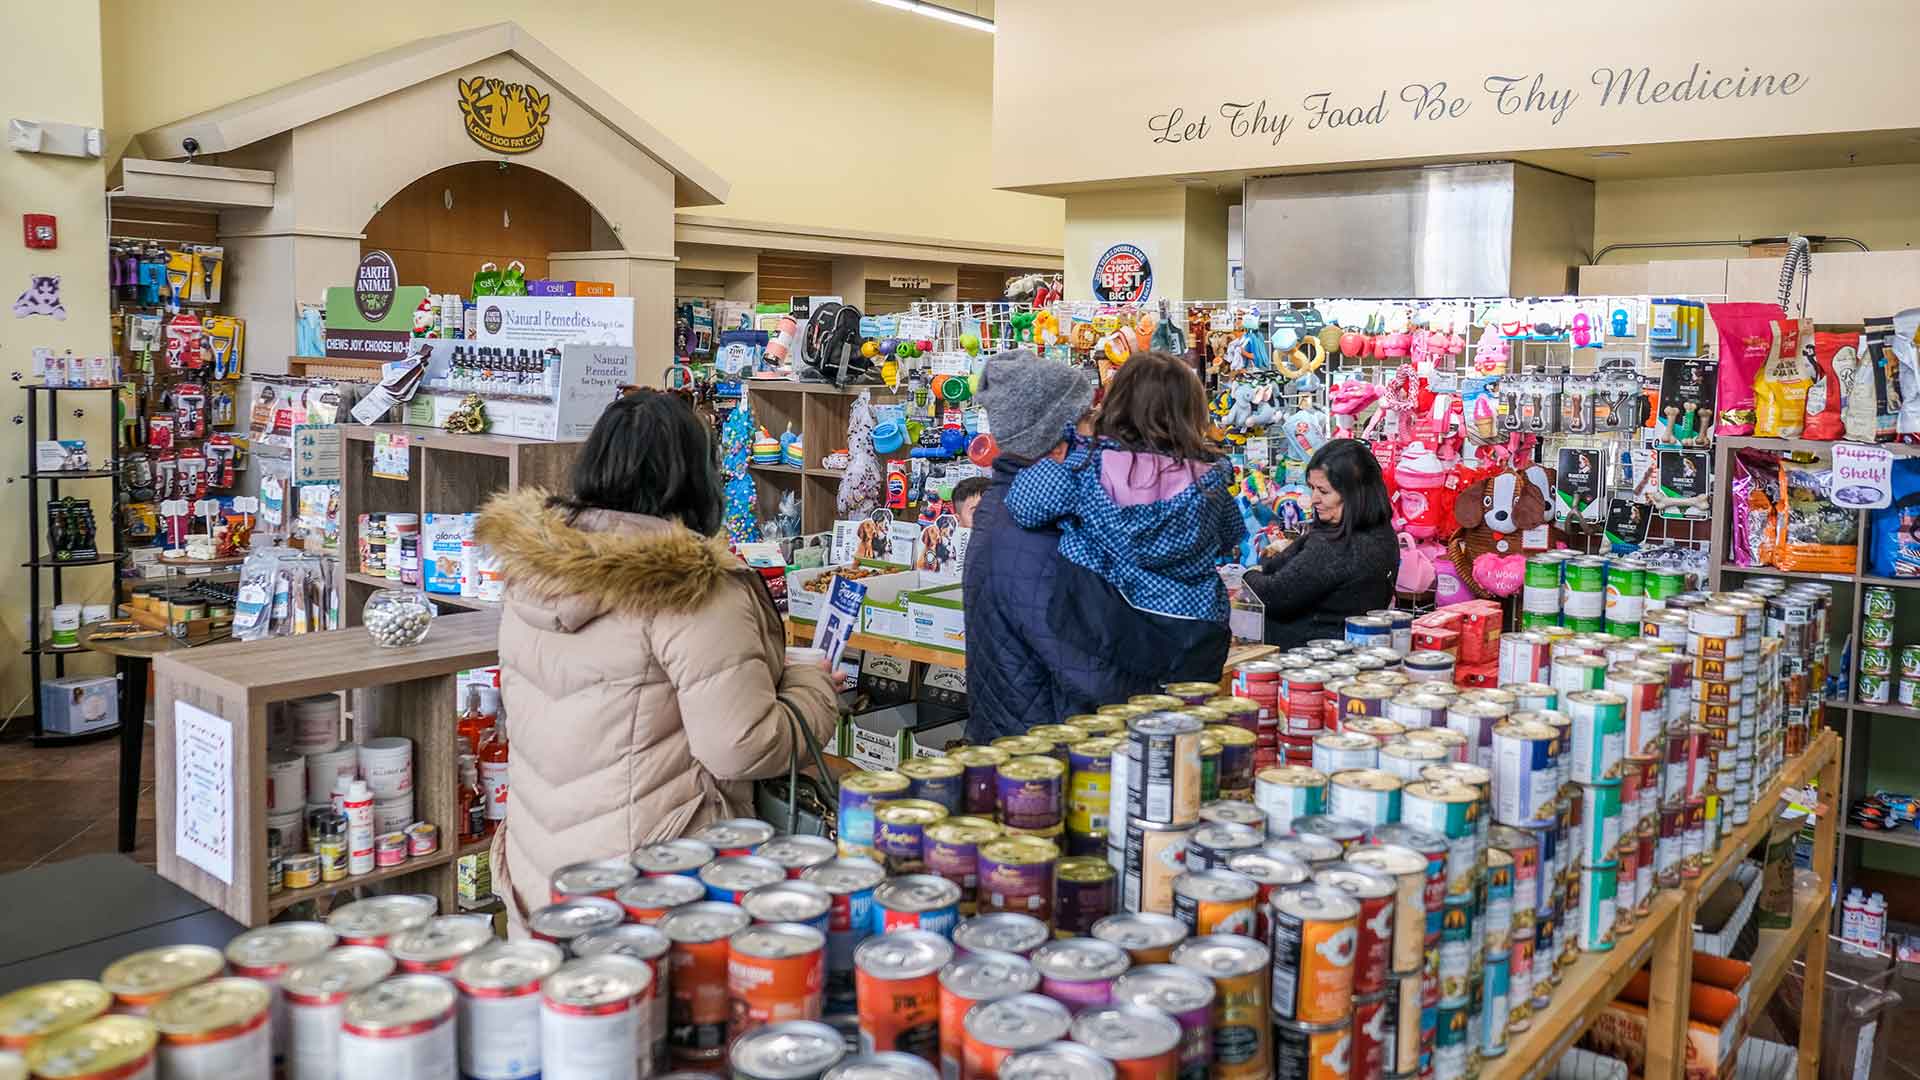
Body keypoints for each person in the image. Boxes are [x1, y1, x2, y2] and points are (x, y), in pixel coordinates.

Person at [474, 389, 838, 929]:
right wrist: (813, 687)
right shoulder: (693, 590)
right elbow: (742, 747)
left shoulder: (534, 574)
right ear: (697, 474)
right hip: (653, 880)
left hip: (541, 869)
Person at [1003, 350, 1242, 678]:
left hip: (1104, 626)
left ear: (1117, 401)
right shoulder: (1210, 480)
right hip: (1193, 633)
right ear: (1191, 412)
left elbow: (1024, 504)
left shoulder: (1085, 465)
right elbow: (1230, 536)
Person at [964, 350, 1143, 742]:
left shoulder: (1005, 503)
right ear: (1057, 445)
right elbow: (1085, 666)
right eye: (1085, 423)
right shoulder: (1032, 530)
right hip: (1044, 750)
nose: (1094, 435)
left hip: (1019, 730)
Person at [1243, 438, 1399, 648]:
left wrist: (1249, 573)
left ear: (1355, 494)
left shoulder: (1336, 546)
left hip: (1305, 658)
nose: (1314, 499)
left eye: (1324, 491)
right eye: (1312, 488)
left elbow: (1273, 595)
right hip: (1351, 653)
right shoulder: (1382, 533)